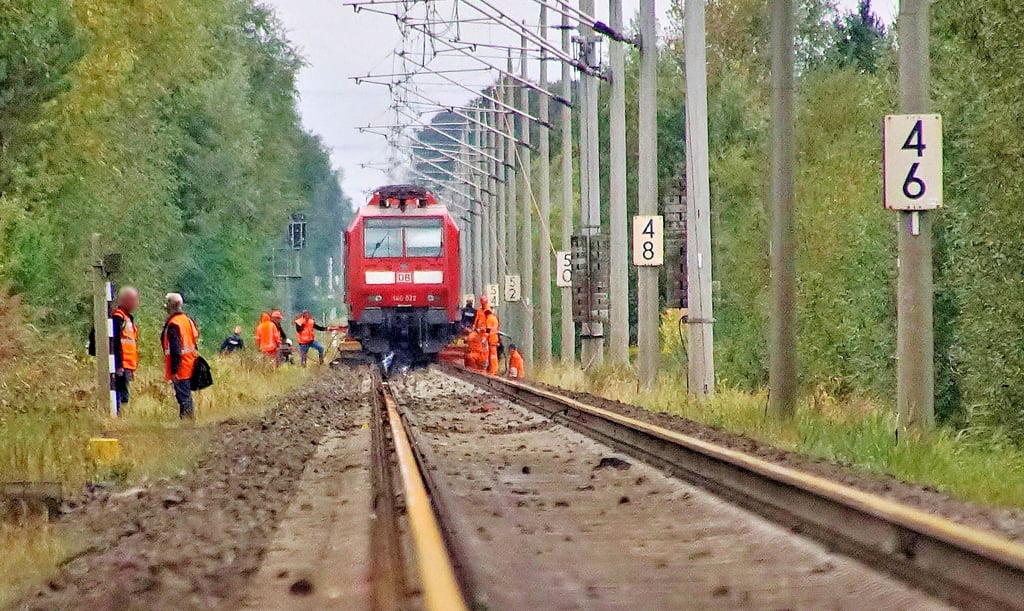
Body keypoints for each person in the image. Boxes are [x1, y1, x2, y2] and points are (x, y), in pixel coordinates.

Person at [161, 293, 200, 419]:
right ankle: (188, 422)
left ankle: (187, 423)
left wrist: (174, 371)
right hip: (190, 363)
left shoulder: (174, 324)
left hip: (181, 368)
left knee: (183, 398)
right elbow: (195, 339)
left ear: (171, 305)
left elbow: (176, 350)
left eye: (167, 304)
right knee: (186, 396)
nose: (166, 307)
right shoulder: (187, 320)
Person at [111, 287, 139, 413]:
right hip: (121, 364)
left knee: (123, 392)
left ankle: (121, 416)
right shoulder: (118, 318)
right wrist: (119, 365)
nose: (136, 303)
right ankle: (118, 416)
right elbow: (115, 342)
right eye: (134, 299)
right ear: (126, 300)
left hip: (127, 364)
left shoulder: (127, 318)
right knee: (120, 393)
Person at [484, 306, 501, 375]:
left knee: (492, 356)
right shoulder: (494, 318)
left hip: (492, 339)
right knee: (493, 355)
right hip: (495, 338)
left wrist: (484, 338)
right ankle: (493, 369)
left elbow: (488, 329)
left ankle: (493, 370)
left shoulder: (489, 319)